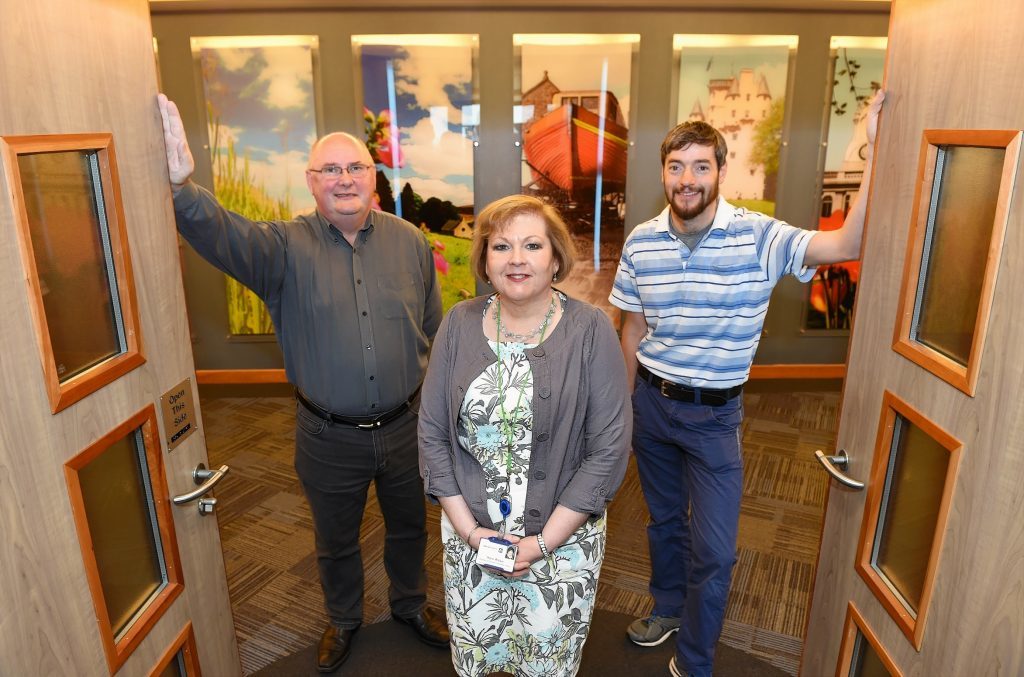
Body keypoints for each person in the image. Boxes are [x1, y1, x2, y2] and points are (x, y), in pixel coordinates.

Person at [157, 94, 449, 673]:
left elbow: (435, 332)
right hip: (327, 435)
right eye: (330, 170)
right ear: (311, 183)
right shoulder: (280, 249)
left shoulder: (411, 243)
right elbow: (220, 233)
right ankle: (343, 620)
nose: (345, 179)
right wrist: (180, 189)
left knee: (411, 527)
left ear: (374, 176)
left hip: (405, 428)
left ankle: (411, 606)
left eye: (356, 168)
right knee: (335, 540)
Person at [610, 92, 884, 677]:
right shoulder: (641, 242)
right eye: (676, 166)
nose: (687, 180)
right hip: (651, 406)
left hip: (715, 419)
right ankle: (666, 608)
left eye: (701, 166)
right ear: (664, 172)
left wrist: (874, 143)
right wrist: (621, 408)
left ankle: (695, 661)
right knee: (662, 521)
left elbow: (847, 245)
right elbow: (632, 329)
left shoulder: (760, 236)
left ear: (721, 171)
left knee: (715, 551)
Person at [418, 195, 631, 676]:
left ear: (555, 258)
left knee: (546, 663)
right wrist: (472, 535)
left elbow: (609, 451)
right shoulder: (458, 324)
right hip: (470, 539)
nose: (516, 259)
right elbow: (432, 436)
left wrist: (539, 545)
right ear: (485, 260)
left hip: (560, 547)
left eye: (532, 245)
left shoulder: (592, 330)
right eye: (501, 246)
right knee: (480, 658)